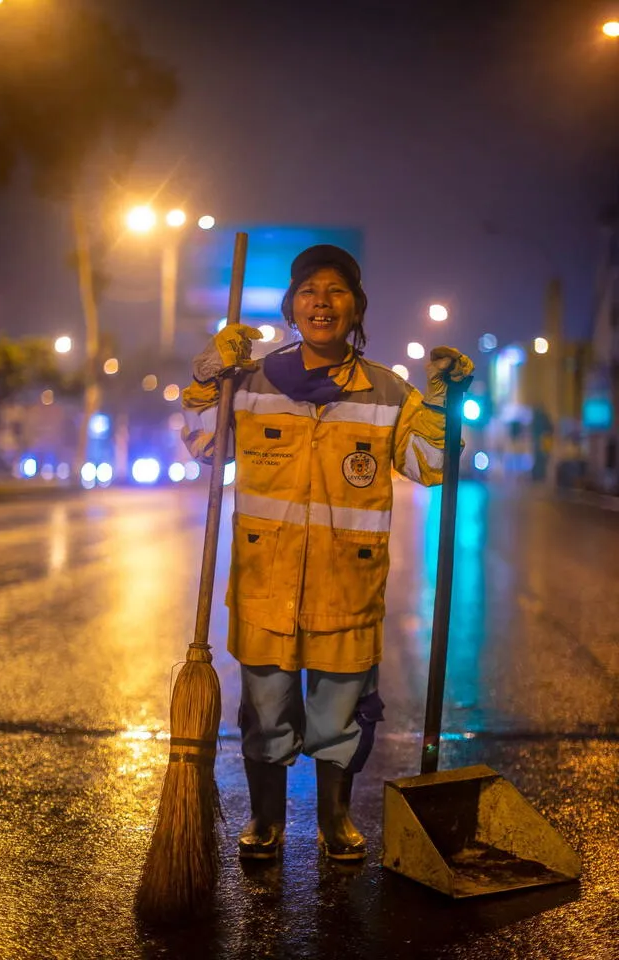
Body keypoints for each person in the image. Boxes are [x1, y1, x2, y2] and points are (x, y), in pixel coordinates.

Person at [181, 244, 473, 862]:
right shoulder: (252, 383)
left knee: (340, 718)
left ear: (355, 309)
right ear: (292, 307)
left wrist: (446, 405)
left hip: (348, 587)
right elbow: (206, 448)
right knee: (266, 714)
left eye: (337, 291)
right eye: (310, 290)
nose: (322, 301)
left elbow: (430, 463)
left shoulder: (388, 392)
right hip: (265, 586)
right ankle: (266, 820)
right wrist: (209, 375)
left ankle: (334, 819)